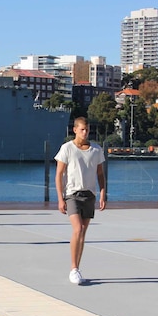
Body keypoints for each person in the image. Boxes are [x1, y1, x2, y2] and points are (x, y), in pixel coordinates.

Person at [54, 116, 106, 285]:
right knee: (78, 229)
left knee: (83, 232)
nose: (85, 132)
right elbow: (59, 174)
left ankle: (77, 268)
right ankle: (73, 268)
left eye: (87, 129)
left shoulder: (96, 150)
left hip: (89, 194)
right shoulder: (67, 148)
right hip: (72, 194)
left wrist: (103, 193)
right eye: (82, 129)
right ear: (75, 130)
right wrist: (60, 198)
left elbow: (100, 174)